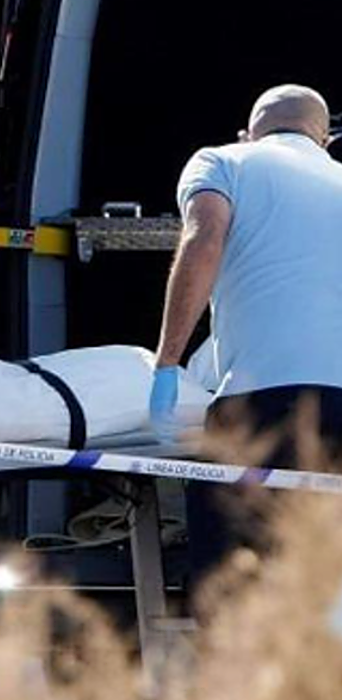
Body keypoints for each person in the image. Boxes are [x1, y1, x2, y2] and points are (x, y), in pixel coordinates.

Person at [149, 83, 342, 595]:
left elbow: (203, 239)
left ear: (247, 132)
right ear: (323, 141)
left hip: (260, 407)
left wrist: (167, 362)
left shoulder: (223, 161)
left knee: (233, 592)